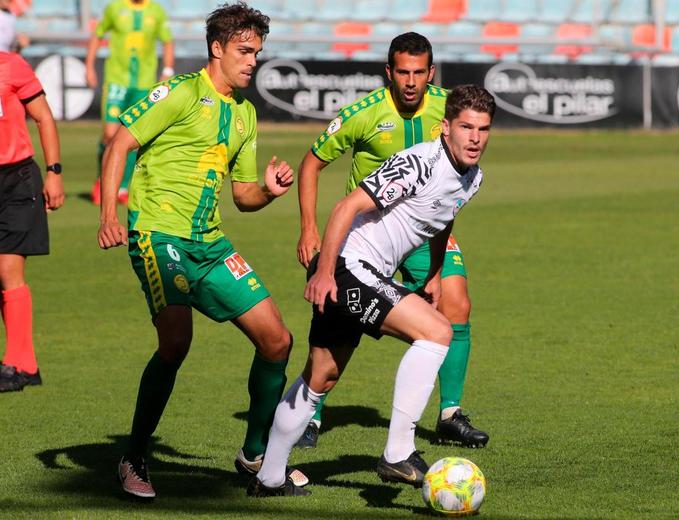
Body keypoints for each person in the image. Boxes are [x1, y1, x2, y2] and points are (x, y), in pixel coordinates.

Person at [97, 3, 306, 499]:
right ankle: (134, 456)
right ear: (217, 49)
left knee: (277, 341)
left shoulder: (245, 114)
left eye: (258, 52)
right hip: (158, 235)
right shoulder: (181, 93)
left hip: (210, 244)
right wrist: (109, 214)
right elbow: (119, 145)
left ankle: (254, 456)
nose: (253, 60)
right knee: (176, 344)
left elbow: (243, 196)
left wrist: (270, 192)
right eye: (244, 50)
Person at [250, 85, 495, 497]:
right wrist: (324, 272)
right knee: (437, 332)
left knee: (321, 376)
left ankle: (268, 477)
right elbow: (346, 208)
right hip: (347, 266)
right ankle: (398, 451)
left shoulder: (472, 177)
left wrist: (434, 272)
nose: (475, 138)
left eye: (483, 129)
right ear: (445, 127)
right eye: (466, 127)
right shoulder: (418, 163)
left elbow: (444, 217)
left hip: (360, 271)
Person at [294, 32, 488, 450]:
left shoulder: (450, 108)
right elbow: (311, 163)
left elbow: (453, 195)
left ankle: (450, 414)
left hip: (423, 234)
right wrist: (309, 227)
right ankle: (310, 413)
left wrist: (435, 271)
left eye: (419, 72)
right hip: (369, 237)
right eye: (403, 72)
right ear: (389, 72)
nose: (412, 81)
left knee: (457, 301)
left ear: (431, 72)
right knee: (337, 325)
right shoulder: (363, 113)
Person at [0, 50, 65, 392]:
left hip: (17, 180)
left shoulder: (11, 66)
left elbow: (43, 117)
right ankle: (25, 364)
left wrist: (54, 173)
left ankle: (14, 365)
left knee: (9, 270)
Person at [85, 0, 174, 205]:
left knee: (134, 137)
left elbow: (167, 41)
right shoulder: (115, 7)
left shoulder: (156, 11)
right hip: (117, 80)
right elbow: (97, 35)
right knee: (109, 134)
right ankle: (103, 181)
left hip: (144, 83)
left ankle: (123, 187)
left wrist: (167, 70)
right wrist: (89, 66)